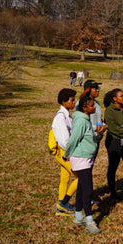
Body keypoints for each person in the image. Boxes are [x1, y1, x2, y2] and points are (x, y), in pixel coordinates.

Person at [66, 91, 106, 235]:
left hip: (85, 156)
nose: (94, 107)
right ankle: (89, 221)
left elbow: (86, 131)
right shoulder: (81, 120)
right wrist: (67, 154)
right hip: (80, 157)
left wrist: (98, 129)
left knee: (82, 187)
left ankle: (78, 216)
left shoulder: (85, 120)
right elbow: (74, 138)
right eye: (91, 105)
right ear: (84, 107)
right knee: (88, 189)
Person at [52, 88, 78, 216]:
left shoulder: (67, 115)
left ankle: (61, 207)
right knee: (82, 177)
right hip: (65, 152)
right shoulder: (60, 117)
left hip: (65, 152)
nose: (74, 102)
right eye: (72, 100)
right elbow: (64, 139)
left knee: (65, 178)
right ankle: (63, 203)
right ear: (64, 101)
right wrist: (69, 154)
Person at [103, 88, 123, 202]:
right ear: (114, 98)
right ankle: (112, 191)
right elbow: (113, 129)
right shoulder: (109, 111)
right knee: (113, 167)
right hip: (114, 141)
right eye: (121, 96)